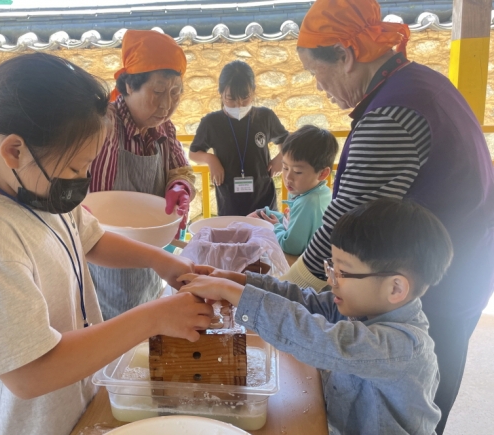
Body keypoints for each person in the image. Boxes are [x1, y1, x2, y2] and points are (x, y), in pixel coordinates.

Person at [0, 52, 213, 435]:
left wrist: (161, 261)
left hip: (71, 408)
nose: (82, 179)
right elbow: (29, 375)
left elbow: (91, 239)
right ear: (14, 151)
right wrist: (153, 317)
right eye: (75, 167)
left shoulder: (35, 190)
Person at [282, 1, 494, 432]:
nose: (318, 86)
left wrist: (287, 288)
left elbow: (346, 218)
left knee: (405, 407)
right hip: (464, 268)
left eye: (315, 72)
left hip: (432, 286)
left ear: (345, 55)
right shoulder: (420, 83)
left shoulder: (392, 115)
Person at [180, 198, 454, 435]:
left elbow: (319, 338)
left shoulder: (402, 347)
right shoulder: (364, 308)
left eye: (342, 272)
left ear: (395, 288)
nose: (331, 279)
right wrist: (238, 280)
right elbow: (306, 302)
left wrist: (235, 294)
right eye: (332, 266)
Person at [89, 29, 195, 320]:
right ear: (128, 86)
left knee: (147, 318)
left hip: (152, 256)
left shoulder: (164, 128)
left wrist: (180, 187)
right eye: (157, 92)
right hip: (102, 258)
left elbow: (181, 169)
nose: (166, 105)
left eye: (175, 93)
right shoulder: (104, 124)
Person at [189, 60, 289, 216]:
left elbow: (287, 140)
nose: (239, 104)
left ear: (253, 91)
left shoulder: (265, 117)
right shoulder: (211, 122)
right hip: (229, 203)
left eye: (245, 97)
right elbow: (194, 153)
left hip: (264, 201)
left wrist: (281, 158)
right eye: (231, 99)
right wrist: (210, 159)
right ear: (221, 92)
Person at [247, 125, 338, 256]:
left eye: (297, 172)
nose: (288, 177)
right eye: (285, 168)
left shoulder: (309, 202)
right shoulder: (311, 191)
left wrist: (274, 227)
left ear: (322, 174)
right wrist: (266, 214)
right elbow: (292, 220)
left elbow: (290, 246)